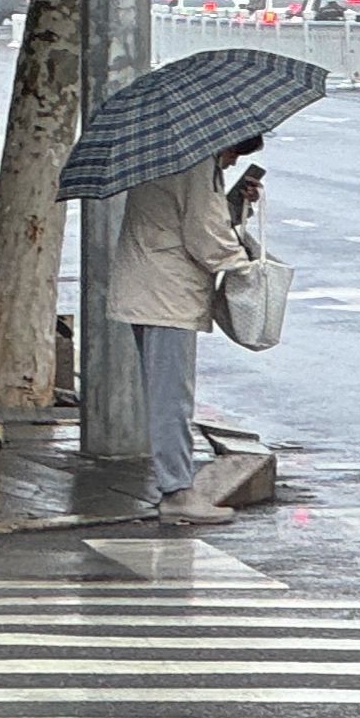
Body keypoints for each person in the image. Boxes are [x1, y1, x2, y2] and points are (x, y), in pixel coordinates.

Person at [106, 137, 263, 526]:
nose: (230, 163)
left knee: (166, 393)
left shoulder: (170, 153)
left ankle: (176, 484)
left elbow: (182, 218)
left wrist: (232, 205)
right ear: (224, 142)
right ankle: (177, 491)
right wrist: (247, 266)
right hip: (166, 293)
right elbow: (205, 236)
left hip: (152, 287)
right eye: (233, 155)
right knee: (171, 397)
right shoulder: (196, 163)